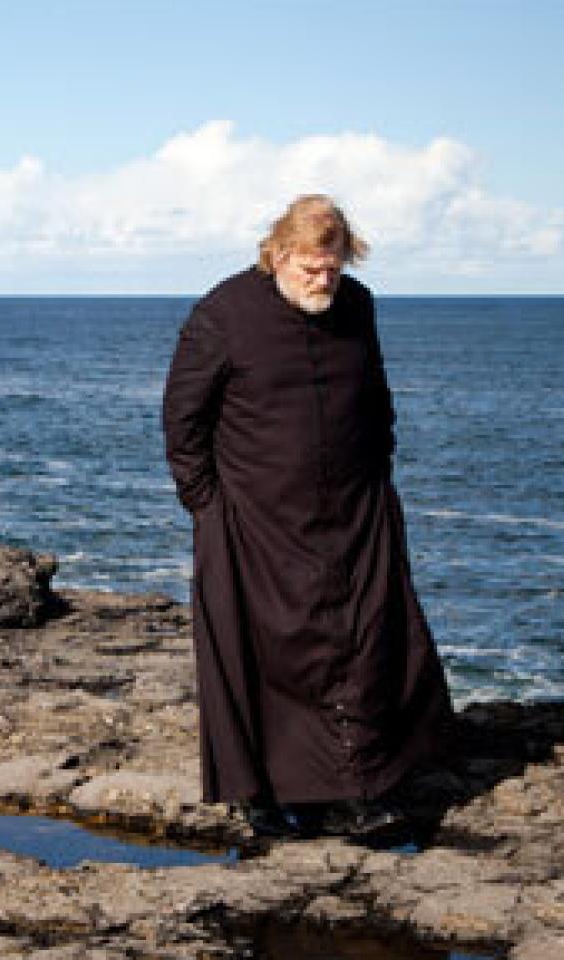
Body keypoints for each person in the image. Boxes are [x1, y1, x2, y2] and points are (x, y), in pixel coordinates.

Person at [161, 194, 453, 838]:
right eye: (311, 270)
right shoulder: (223, 313)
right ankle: (261, 794)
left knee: (363, 643)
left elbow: (376, 396)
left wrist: (379, 475)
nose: (324, 282)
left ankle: (361, 787)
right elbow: (183, 420)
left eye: (334, 269)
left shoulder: (357, 306)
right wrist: (207, 506)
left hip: (354, 511)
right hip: (253, 520)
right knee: (266, 654)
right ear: (278, 254)